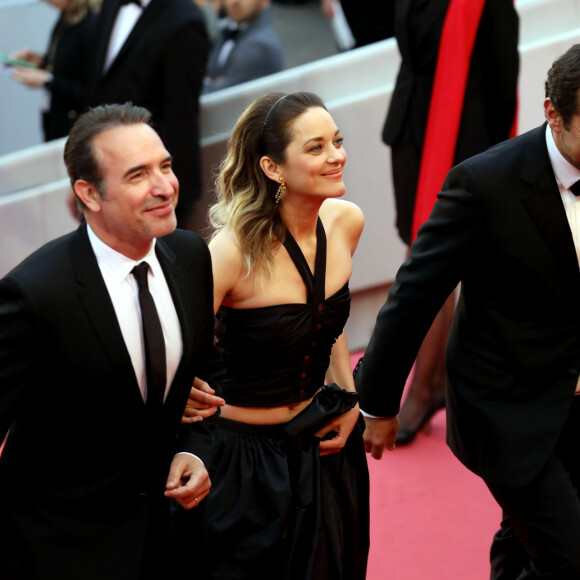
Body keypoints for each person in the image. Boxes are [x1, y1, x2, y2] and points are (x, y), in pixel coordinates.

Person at [356, 43, 580, 579]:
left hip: (575, 402)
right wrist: (379, 404)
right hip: (508, 408)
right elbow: (414, 295)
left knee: (527, 541)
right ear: (552, 111)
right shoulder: (485, 183)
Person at [0, 102, 221, 579]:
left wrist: (195, 449)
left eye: (165, 165)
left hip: (174, 542)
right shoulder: (36, 293)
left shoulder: (190, 255)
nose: (165, 187)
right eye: (138, 175)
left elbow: (204, 378)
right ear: (89, 193)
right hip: (62, 551)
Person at [178, 91, 369, 579]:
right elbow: (177, 345)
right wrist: (179, 399)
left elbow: (326, 320)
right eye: (316, 147)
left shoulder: (346, 222)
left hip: (322, 450)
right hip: (242, 465)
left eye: (337, 141)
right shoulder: (231, 251)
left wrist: (349, 399)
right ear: (273, 167)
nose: (336, 156)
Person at [379, 0, 519, 445]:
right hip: (410, 133)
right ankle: (434, 383)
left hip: (465, 139)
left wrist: (498, 166)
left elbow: (503, 82)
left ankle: (422, 389)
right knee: (419, 249)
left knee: (432, 260)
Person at [84, 0, 209, 229]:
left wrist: (161, 193)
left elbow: (180, 119)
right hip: (104, 186)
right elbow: (98, 91)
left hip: (153, 196)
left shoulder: (184, 20)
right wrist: (86, 174)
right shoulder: (111, 5)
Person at [8, 0, 100, 141]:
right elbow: (70, 67)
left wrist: (48, 80)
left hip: (79, 131)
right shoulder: (66, 18)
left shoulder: (92, 23)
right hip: (59, 126)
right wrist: (41, 62)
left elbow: (92, 92)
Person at [202, 0, 284, 94]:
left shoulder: (258, 47)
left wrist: (207, 82)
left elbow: (217, 96)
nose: (234, 1)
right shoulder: (233, 26)